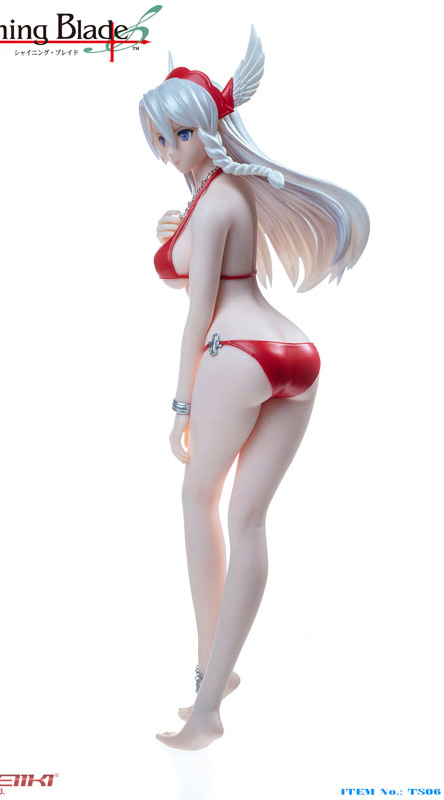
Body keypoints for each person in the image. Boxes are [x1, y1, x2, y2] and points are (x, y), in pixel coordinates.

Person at [138, 24, 370, 750]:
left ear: (207, 130)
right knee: (247, 521)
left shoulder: (216, 200)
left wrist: (181, 401)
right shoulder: (222, 194)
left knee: (197, 500)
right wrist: (176, 235)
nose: (167, 150)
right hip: (294, 354)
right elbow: (207, 270)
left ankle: (208, 694)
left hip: (233, 353)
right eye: (160, 139)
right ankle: (217, 677)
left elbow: (199, 312)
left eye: (178, 135)